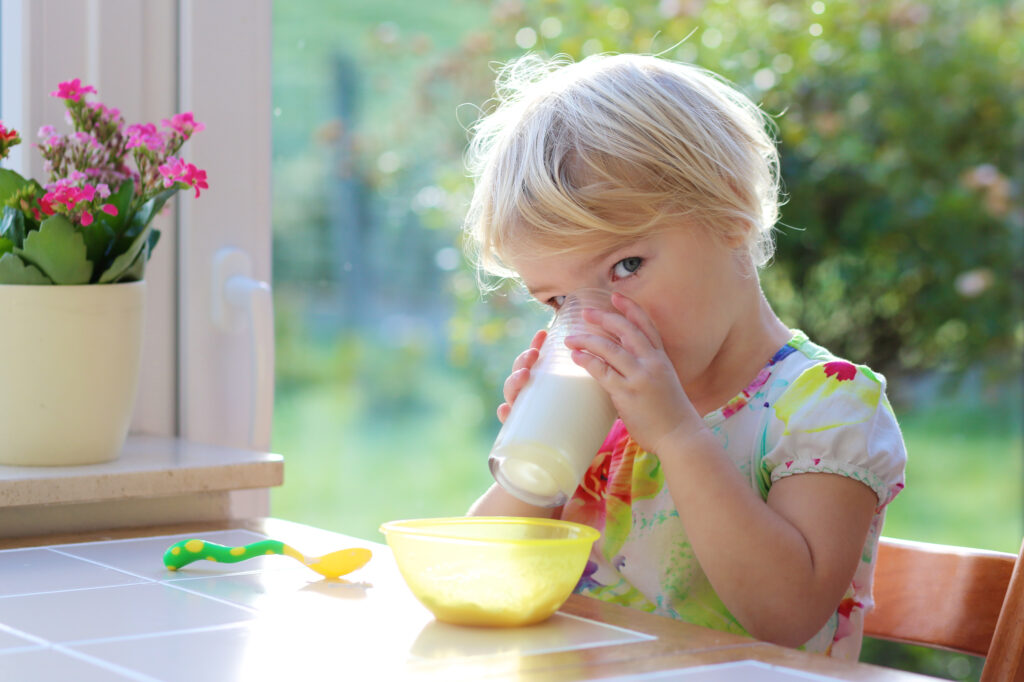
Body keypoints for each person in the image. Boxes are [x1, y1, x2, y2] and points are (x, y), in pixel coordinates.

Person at [461, 52, 906, 659]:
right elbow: (478, 574)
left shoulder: (825, 406)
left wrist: (675, 433)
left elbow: (785, 615)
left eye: (625, 267)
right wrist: (536, 468)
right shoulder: (605, 422)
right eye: (560, 300)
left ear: (730, 212)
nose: (598, 321)